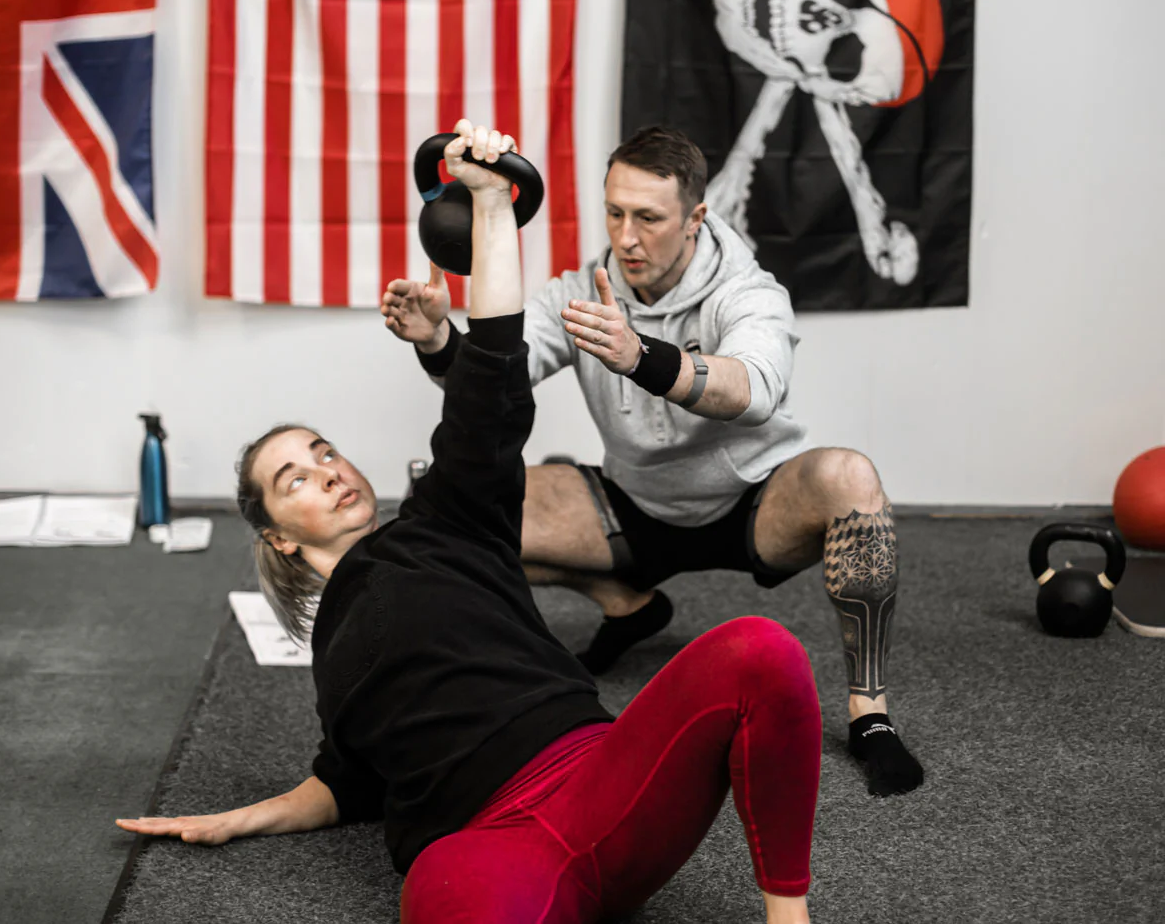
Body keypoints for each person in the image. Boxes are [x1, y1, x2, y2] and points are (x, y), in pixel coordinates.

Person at [115, 122, 823, 924]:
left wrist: (491, 205)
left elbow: (492, 367)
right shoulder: (332, 656)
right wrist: (238, 818)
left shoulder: (447, 517)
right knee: (443, 889)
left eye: (324, 451)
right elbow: (346, 782)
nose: (327, 471)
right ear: (279, 532)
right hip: (487, 846)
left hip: (602, 784)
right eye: (295, 478)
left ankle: (787, 918)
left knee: (762, 650)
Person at [381, 125, 922, 798]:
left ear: (695, 216)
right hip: (632, 505)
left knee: (851, 477)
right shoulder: (582, 289)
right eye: (614, 212)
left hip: (753, 504)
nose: (627, 236)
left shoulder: (747, 290)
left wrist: (641, 355)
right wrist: (436, 339)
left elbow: (751, 390)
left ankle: (869, 712)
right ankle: (627, 603)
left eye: (648, 217)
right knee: (463, 502)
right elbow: (492, 387)